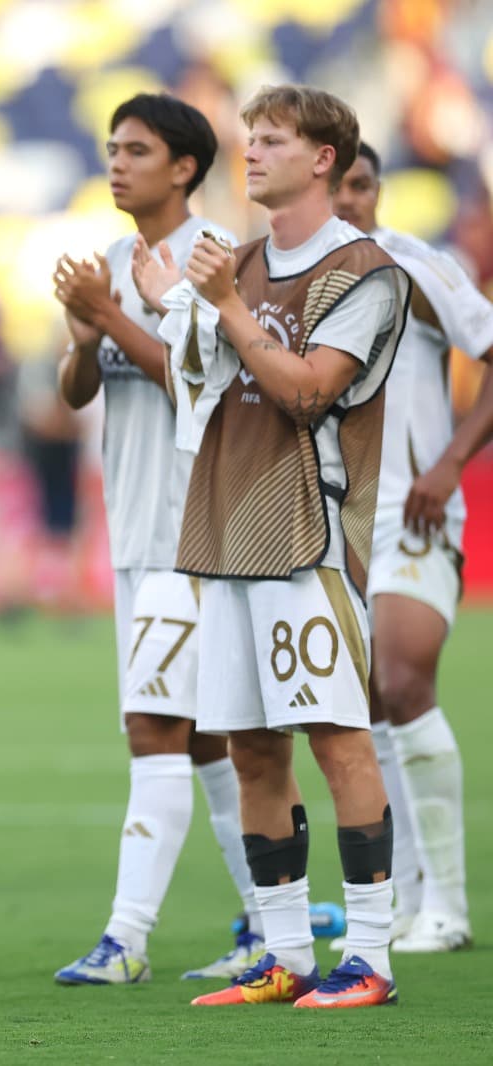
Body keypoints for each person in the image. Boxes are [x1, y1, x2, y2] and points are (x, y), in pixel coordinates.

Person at [135, 85, 409, 1009]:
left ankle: (369, 956)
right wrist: (173, 315)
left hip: (307, 532)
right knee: (251, 748)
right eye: (248, 138)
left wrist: (221, 306)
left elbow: (304, 394)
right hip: (222, 527)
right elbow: (203, 393)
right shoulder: (238, 260)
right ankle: (284, 952)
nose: (248, 153)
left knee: (338, 742)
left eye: (272, 140)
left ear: (324, 157)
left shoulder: (364, 271)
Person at [51, 93, 264, 985]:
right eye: (111, 148)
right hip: (134, 531)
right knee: (205, 738)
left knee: (153, 726)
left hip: (194, 529)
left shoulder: (215, 261)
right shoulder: (109, 259)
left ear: (184, 167)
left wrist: (117, 314)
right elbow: (74, 393)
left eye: (136, 149)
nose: (117, 162)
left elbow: (199, 392)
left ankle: (125, 940)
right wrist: (82, 331)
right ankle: (269, 922)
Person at [334, 142, 493, 953]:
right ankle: (400, 900)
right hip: (332, 530)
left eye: (366, 184)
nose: (355, 199)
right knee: (361, 710)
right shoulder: (289, 280)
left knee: (403, 683)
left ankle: (450, 910)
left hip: (413, 515)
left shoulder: (410, 266)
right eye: (343, 186)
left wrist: (450, 462)